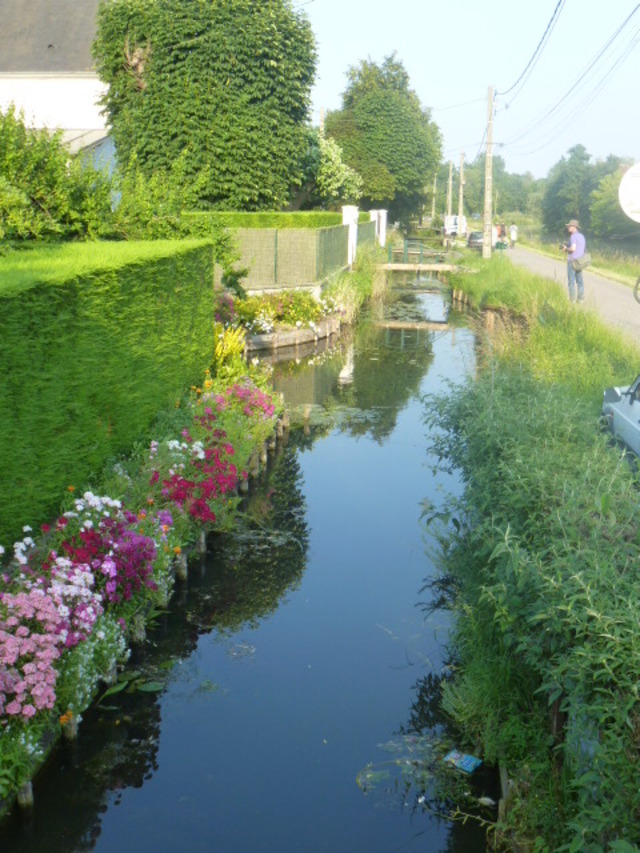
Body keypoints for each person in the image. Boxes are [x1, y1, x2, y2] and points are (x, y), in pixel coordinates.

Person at [561, 219, 586, 302]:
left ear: (574, 227)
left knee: (571, 281)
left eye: (570, 226)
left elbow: (573, 249)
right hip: (581, 260)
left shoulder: (573, 236)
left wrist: (566, 249)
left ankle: (572, 300)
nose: (568, 227)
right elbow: (580, 248)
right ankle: (581, 299)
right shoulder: (582, 236)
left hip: (572, 261)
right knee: (580, 281)